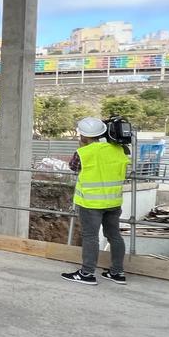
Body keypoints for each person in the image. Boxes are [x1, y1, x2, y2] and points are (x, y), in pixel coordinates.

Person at [61, 116, 130, 286]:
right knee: (114, 235)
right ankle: (117, 272)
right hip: (113, 201)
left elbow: (73, 167)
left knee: (90, 237)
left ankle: (87, 273)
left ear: (83, 136)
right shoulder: (119, 149)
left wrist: (83, 147)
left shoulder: (83, 152)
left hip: (91, 203)